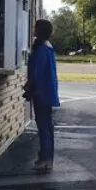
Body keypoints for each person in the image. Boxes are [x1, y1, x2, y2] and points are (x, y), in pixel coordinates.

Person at [24, 19, 60, 173]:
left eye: (35, 28)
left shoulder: (42, 50)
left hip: (41, 93)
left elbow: (37, 74)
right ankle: (47, 158)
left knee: (43, 126)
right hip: (47, 92)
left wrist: (29, 86)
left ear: (40, 30)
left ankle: (44, 159)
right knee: (47, 126)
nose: (33, 30)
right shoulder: (48, 48)